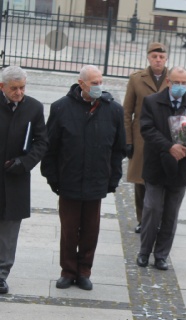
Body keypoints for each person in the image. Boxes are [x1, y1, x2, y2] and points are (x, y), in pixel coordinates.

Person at [41, 65, 126, 291]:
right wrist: (52, 177)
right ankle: (68, 271)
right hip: (68, 180)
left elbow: (118, 149)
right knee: (69, 230)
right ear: (81, 84)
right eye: (93, 83)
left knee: (90, 230)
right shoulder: (61, 107)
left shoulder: (114, 110)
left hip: (96, 181)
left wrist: (113, 178)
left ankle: (84, 271)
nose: (98, 86)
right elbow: (51, 147)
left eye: (100, 82)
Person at [136, 66, 186, 271]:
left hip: (181, 167)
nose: (180, 87)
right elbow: (147, 129)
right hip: (156, 165)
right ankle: (144, 251)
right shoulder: (152, 102)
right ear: (168, 82)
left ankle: (161, 255)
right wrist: (169, 146)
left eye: (184, 83)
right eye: (176, 83)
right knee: (152, 209)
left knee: (171, 214)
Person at [0, 66, 48, 295]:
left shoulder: (34, 107)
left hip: (15, 179)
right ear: (2, 87)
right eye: (14, 88)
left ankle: (1, 274)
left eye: (22, 87)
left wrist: (25, 163)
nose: (19, 92)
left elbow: (41, 142)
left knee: (9, 232)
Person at [123, 42, 169, 235]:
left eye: (161, 57)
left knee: (164, 181)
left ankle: (159, 220)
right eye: (154, 57)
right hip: (142, 138)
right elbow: (127, 112)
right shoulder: (136, 79)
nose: (158, 60)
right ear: (148, 58)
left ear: (166, 59)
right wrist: (128, 141)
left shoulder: (173, 79)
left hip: (166, 138)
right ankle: (143, 220)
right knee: (141, 182)